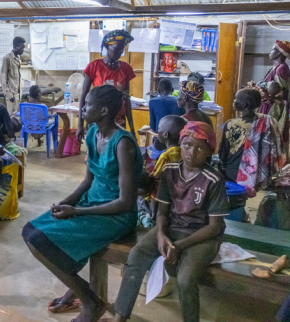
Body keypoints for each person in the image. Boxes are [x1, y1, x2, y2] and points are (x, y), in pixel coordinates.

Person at [23, 85, 143, 321]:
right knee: (31, 232)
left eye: (88, 104)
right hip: (90, 204)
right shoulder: (92, 134)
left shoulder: (123, 144)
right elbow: (88, 180)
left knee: (40, 240)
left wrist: (77, 210)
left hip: (115, 216)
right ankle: (77, 287)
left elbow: (126, 202)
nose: (83, 107)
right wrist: (67, 201)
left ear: (104, 110)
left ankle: (90, 302)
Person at [112, 121, 229, 322]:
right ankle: (120, 316)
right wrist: (160, 235)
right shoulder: (170, 171)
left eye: (200, 148)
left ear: (210, 151)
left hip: (202, 236)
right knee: (137, 255)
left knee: (185, 279)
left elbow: (214, 226)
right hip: (172, 228)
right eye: (187, 145)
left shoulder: (213, 179)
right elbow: (162, 212)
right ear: (180, 144)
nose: (192, 152)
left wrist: (178, 245)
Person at [219, 88, 284, 198]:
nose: (233, 102)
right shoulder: (269, 120)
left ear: (243, 104)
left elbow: (223, 155)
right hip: (260, 172)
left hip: (234, 173)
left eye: (236, 99)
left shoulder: (231, 124)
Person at [76, 29, 136, 142]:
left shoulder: (125, 69)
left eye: (122, 49)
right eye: (116, 49)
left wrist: (132, 128)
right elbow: (84, 96)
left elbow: (126, 98)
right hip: (97, 119)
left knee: (117, 151)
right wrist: (80, 125)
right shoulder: (94, 67)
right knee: (96, 151)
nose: (119, 52)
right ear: (106, 46)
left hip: (118, 120)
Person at [138, 115, 186, 229]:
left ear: (165, 135)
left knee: (140, 199)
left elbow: (156, 178)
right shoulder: (183, 152)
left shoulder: (165, 156)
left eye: (159, 129)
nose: (156, 131)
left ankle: (152, 217)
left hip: (162, 195)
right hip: (178, 194)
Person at [259, 40, 290, 114]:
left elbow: (283, 92)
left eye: (272, 50)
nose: (270, 52)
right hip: (269, 103)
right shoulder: (275, 66)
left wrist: (270, 96)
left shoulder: (281, 68)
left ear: (279, 52)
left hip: (275, 107)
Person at [0, 37, 25, 117]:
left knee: (17, 118)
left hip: (18, 95)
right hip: (12, 95)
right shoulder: (7, 58)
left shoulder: (18, 58)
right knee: (12, 118)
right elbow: (2, 78)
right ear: (15, 47)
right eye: (21, 48)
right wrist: (8, 94)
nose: (23, 50)